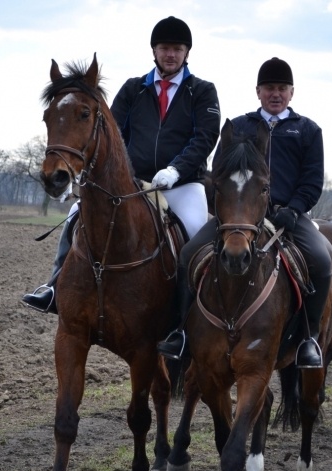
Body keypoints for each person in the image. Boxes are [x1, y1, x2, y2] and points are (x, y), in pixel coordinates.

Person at [22, 16, 221, 314]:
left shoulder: (202, 91)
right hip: (133, 183)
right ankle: (54, 286)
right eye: (164, 48)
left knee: (194, 238)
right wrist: (86, 177)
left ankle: (189, 320)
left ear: (186, 53)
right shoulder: (133, 89)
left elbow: (205, 137)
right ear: (154, 51)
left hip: (183, 186)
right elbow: (109, 138)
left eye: (177, 49)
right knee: (78, 214)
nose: (170, 54)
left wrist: (176, 169)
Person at [157, 57, 331, 369]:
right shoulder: (238, 127)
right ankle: (180, 332)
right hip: (239, 216)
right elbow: (218, 173)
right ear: (258, 91)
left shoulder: (307, 130)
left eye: (281, 88)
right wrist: (225, 209)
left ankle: (309, 339)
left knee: (321, 259)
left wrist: (293, 208)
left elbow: (312, 180)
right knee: (188, 254)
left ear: (292, 92)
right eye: (268, 88)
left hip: (287, 216)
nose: (275, 94)